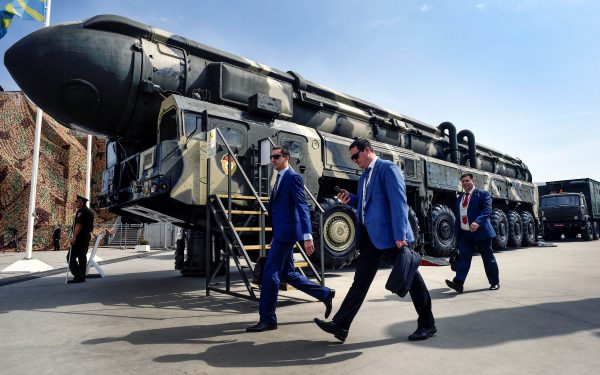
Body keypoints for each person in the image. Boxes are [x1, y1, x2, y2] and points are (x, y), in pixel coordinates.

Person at [314, 138, 436, 342]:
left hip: (391, 236)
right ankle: (341, 325)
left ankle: (428, 324)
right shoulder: (364, 177)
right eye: (351, 157)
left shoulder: (387, 168)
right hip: (371, 238)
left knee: (412, 280)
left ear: (368, 150)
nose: (354, 160)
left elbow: (399, 202)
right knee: (359, 282)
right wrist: (351, 199)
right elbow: (366, 204)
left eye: (356, 156)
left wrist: (400, 235)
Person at [246, 146, 335, 332]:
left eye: (276, 157)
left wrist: (307, 235)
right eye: (271, 157)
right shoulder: (278, 179)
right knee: (288, 273)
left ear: (286, 157)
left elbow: (302, 206)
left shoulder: (293, 178)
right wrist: (276, 235)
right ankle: (325, 293)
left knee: (270, 274)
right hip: (282, 233)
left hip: (288, 234)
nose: (273, 160)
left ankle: (268, 318)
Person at [445, 173, 499, 293]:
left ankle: (494, 282)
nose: (465, 183)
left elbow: (487, 210)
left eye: (467, 180)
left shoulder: (483, 194)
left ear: (473, 181)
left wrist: (477, 222)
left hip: (481, 233)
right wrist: (457, 236)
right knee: (463, 258)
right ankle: (458, 283)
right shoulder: (460, 198)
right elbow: (459, 217)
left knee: (488, 258)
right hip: (465, 234)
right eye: (463, 181)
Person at [67, 195, 94, 284]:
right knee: (82, 256)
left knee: (70, 257)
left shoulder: (81, 211)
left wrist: (74, 237)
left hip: (79, 237)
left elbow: (79, 225)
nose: (75, 203)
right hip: (86, 237)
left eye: (77, 201)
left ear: (81, 202)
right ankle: (82, 276)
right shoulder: (90, 212)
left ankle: (78, 276)